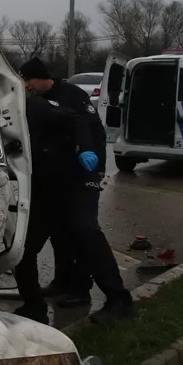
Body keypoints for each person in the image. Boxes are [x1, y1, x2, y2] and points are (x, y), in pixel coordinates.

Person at [15, 58, 135, 325]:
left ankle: (118, 299)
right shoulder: (15, 108)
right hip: (49, 183)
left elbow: (82, 124)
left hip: (80, 175)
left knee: (84, 231)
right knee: (26, 245)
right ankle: (38, 304)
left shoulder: (55, 101)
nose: (25, 86)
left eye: (28, 80)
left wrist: (92, 156)